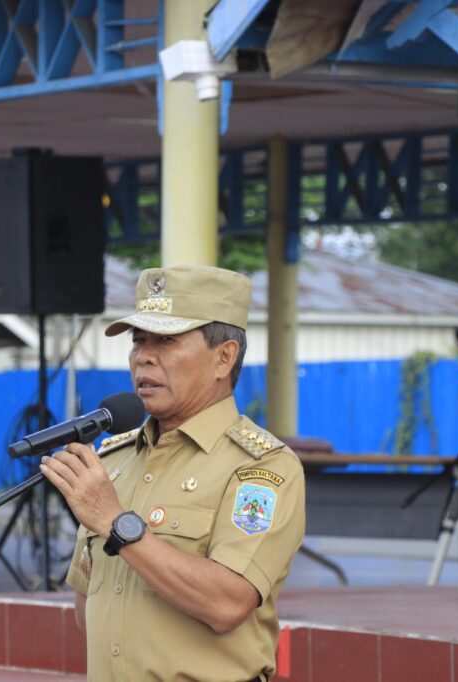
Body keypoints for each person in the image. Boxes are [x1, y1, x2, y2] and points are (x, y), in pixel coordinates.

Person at [39, 264, 306, 682]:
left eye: (166, 340)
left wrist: (115, 522)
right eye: (138, 340)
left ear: (224, 357)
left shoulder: (261, 467)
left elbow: (227, 603)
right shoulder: (114, 459)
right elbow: (87, 606)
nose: (143, 356)